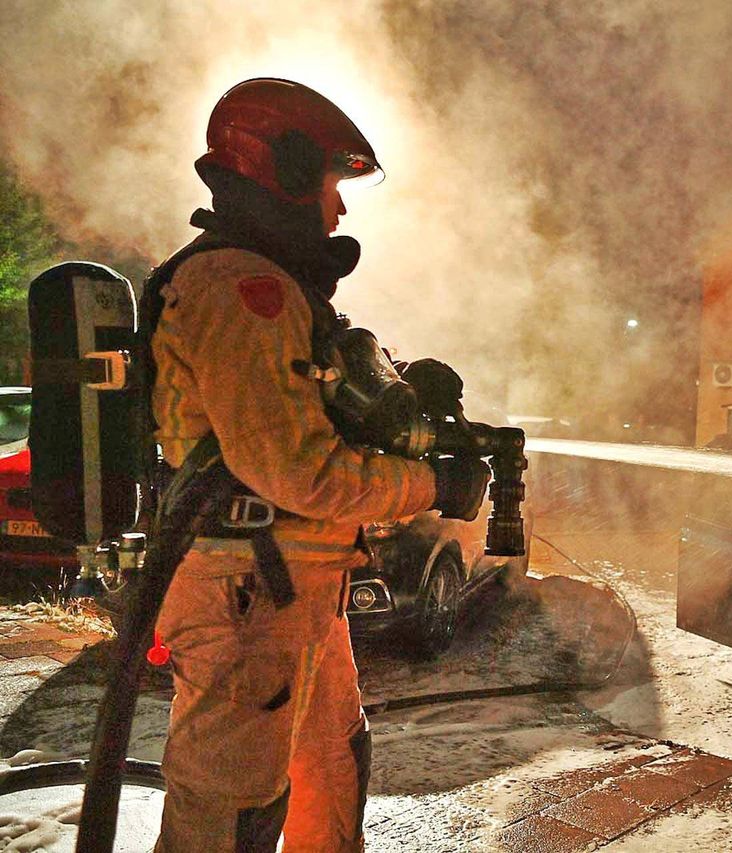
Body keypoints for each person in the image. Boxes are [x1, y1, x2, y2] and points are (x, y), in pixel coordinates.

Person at [145, 78, 488, 852]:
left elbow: (317, 418)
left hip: (292, 594)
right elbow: (300, 472)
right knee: (228, 820)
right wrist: (436, 485)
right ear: (288, 170)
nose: (339, 208)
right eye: (333, 184)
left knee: (331, 773)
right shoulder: (241, 289)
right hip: (246, 604)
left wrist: (403, 393)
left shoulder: (279, 290)